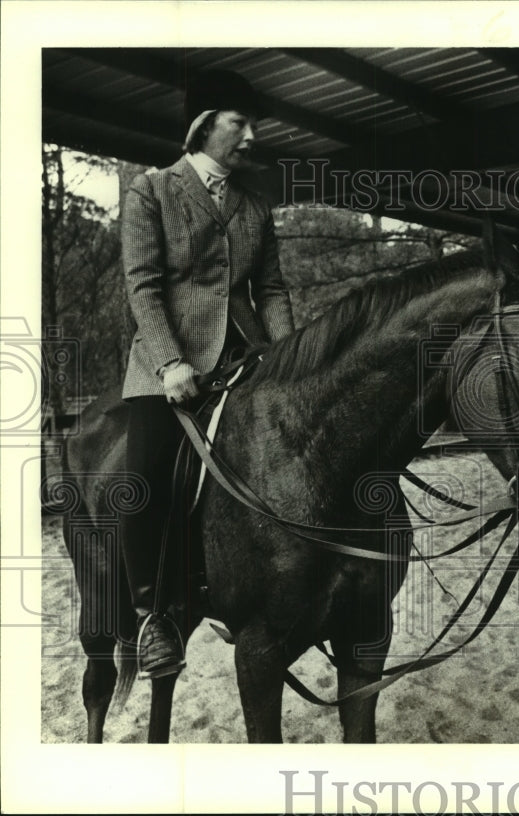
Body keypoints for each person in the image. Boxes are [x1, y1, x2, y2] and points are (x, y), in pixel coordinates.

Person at [120, 69, 295, 679]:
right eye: (239, 123)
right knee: (144, 479)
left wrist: (286, 354)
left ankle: (241, 589)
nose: (252, 135)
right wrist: (170, 362)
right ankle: (152, 617)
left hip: (244, 359)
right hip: (166, 365)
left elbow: (269, 288)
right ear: (203, 127)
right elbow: (142, 285)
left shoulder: (254, 203)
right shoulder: (152, 190)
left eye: (254, 124)